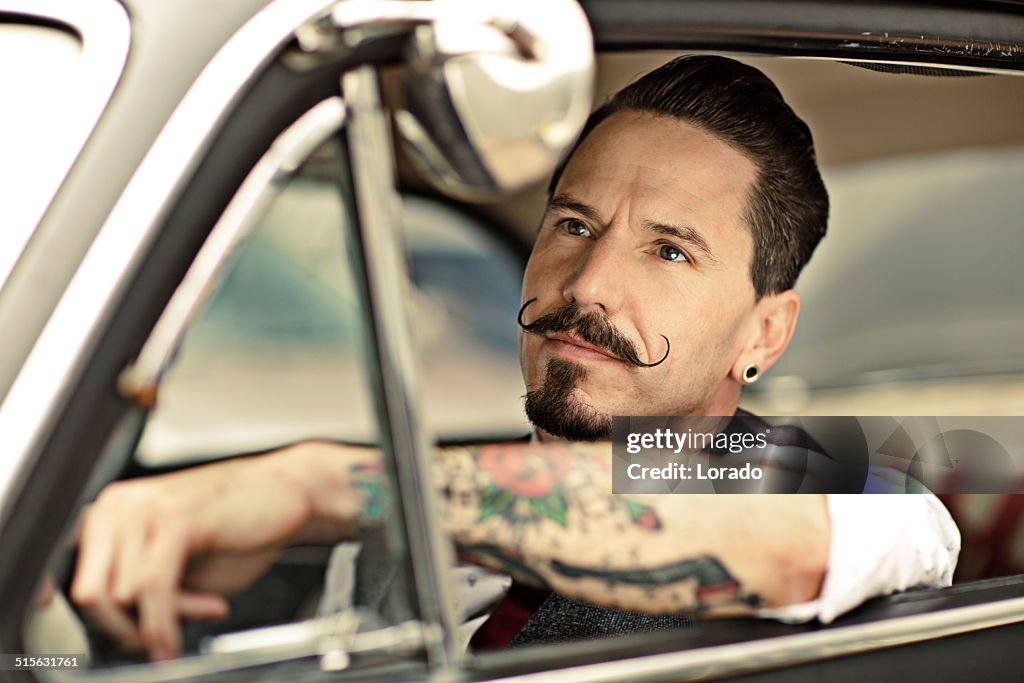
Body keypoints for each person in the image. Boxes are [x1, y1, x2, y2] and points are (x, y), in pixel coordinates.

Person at [69, 56, 959, 661]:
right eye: (575, 224)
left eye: (670, 250)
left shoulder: (865, 489)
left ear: (764, 333)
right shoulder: (423, 522)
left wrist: (321, 488)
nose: (591, 282)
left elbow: (783, 540)